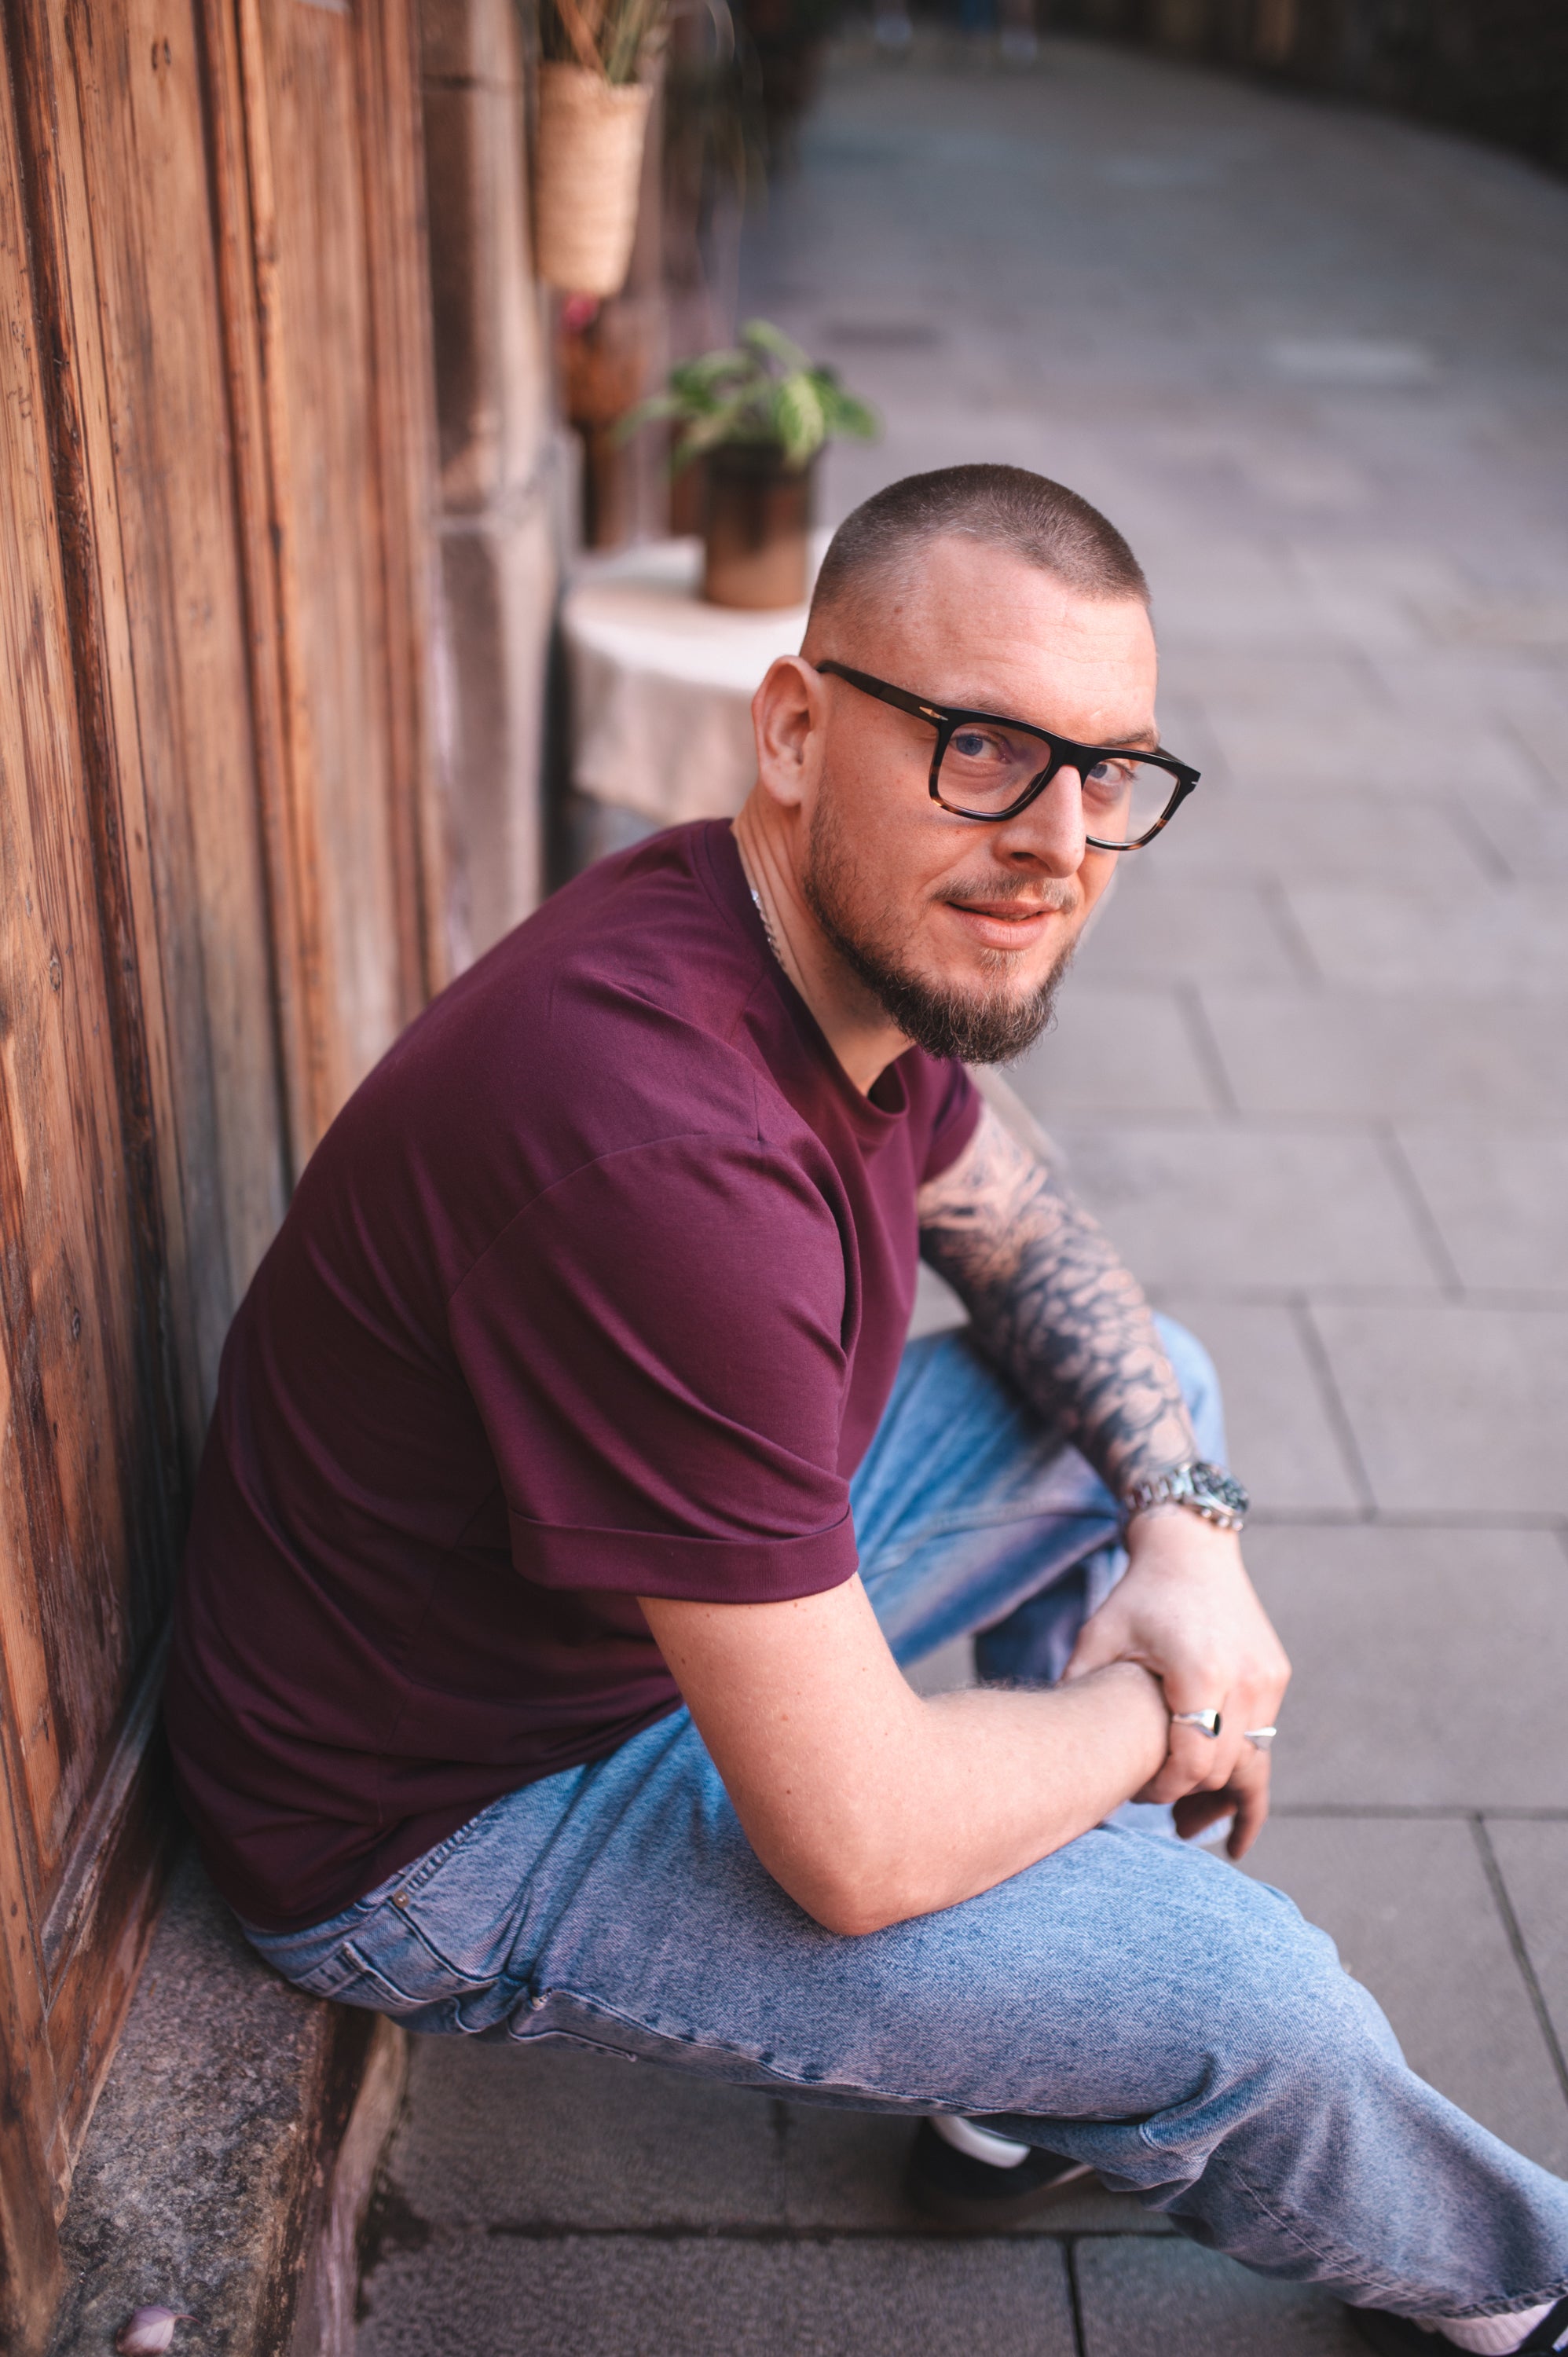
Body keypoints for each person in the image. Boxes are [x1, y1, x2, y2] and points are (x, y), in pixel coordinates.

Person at [164, 467, 1568, 2356]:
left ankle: (1014, 2075)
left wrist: (1187, 1531)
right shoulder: (661, 1148)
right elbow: (859, 1845)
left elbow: (1018, 1223)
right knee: (1250, 2001)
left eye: (1108, 773)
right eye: (982, 748)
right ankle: (1511, 2280)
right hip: (432, 1816)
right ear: (794, 732)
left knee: (1154, 1405)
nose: (1056, 844)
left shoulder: (810, 937)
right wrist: (1166, 1707)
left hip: (601, 1625)